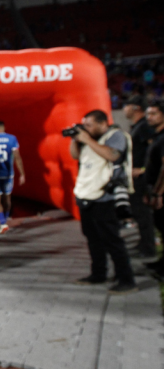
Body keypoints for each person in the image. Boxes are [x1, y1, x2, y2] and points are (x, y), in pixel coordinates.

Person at [71, 110, 137, 294]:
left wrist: (87, 139)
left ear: (102, 123)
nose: (86, 129)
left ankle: (127, 280)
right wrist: (75, 140)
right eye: (85, 125)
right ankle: (98, 274)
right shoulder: (88, 138)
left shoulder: (116, 135)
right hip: (86, 194)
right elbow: (75, 156)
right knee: (92, 239)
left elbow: (113, 155)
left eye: (89, 125)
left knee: (112, 240)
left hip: (105, 196)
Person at [125, 96, 156, 258]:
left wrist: (143, 169)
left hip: (142, 178)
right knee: (138, 212)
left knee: (143, 212)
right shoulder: (139, 126)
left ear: (135, 107)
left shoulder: (144, 126)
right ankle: (144, 243)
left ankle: (149, 247)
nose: (124, 110)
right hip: (136, 177)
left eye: (126, 106)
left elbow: (155, 149)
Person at [143, 101, 164, 279]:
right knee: (161, 229)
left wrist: (158, 193)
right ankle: (162, 263)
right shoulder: (157, 136)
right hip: (155, 189)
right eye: (148, 113)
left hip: (162, 192)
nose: (149, 117)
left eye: (153, 114)